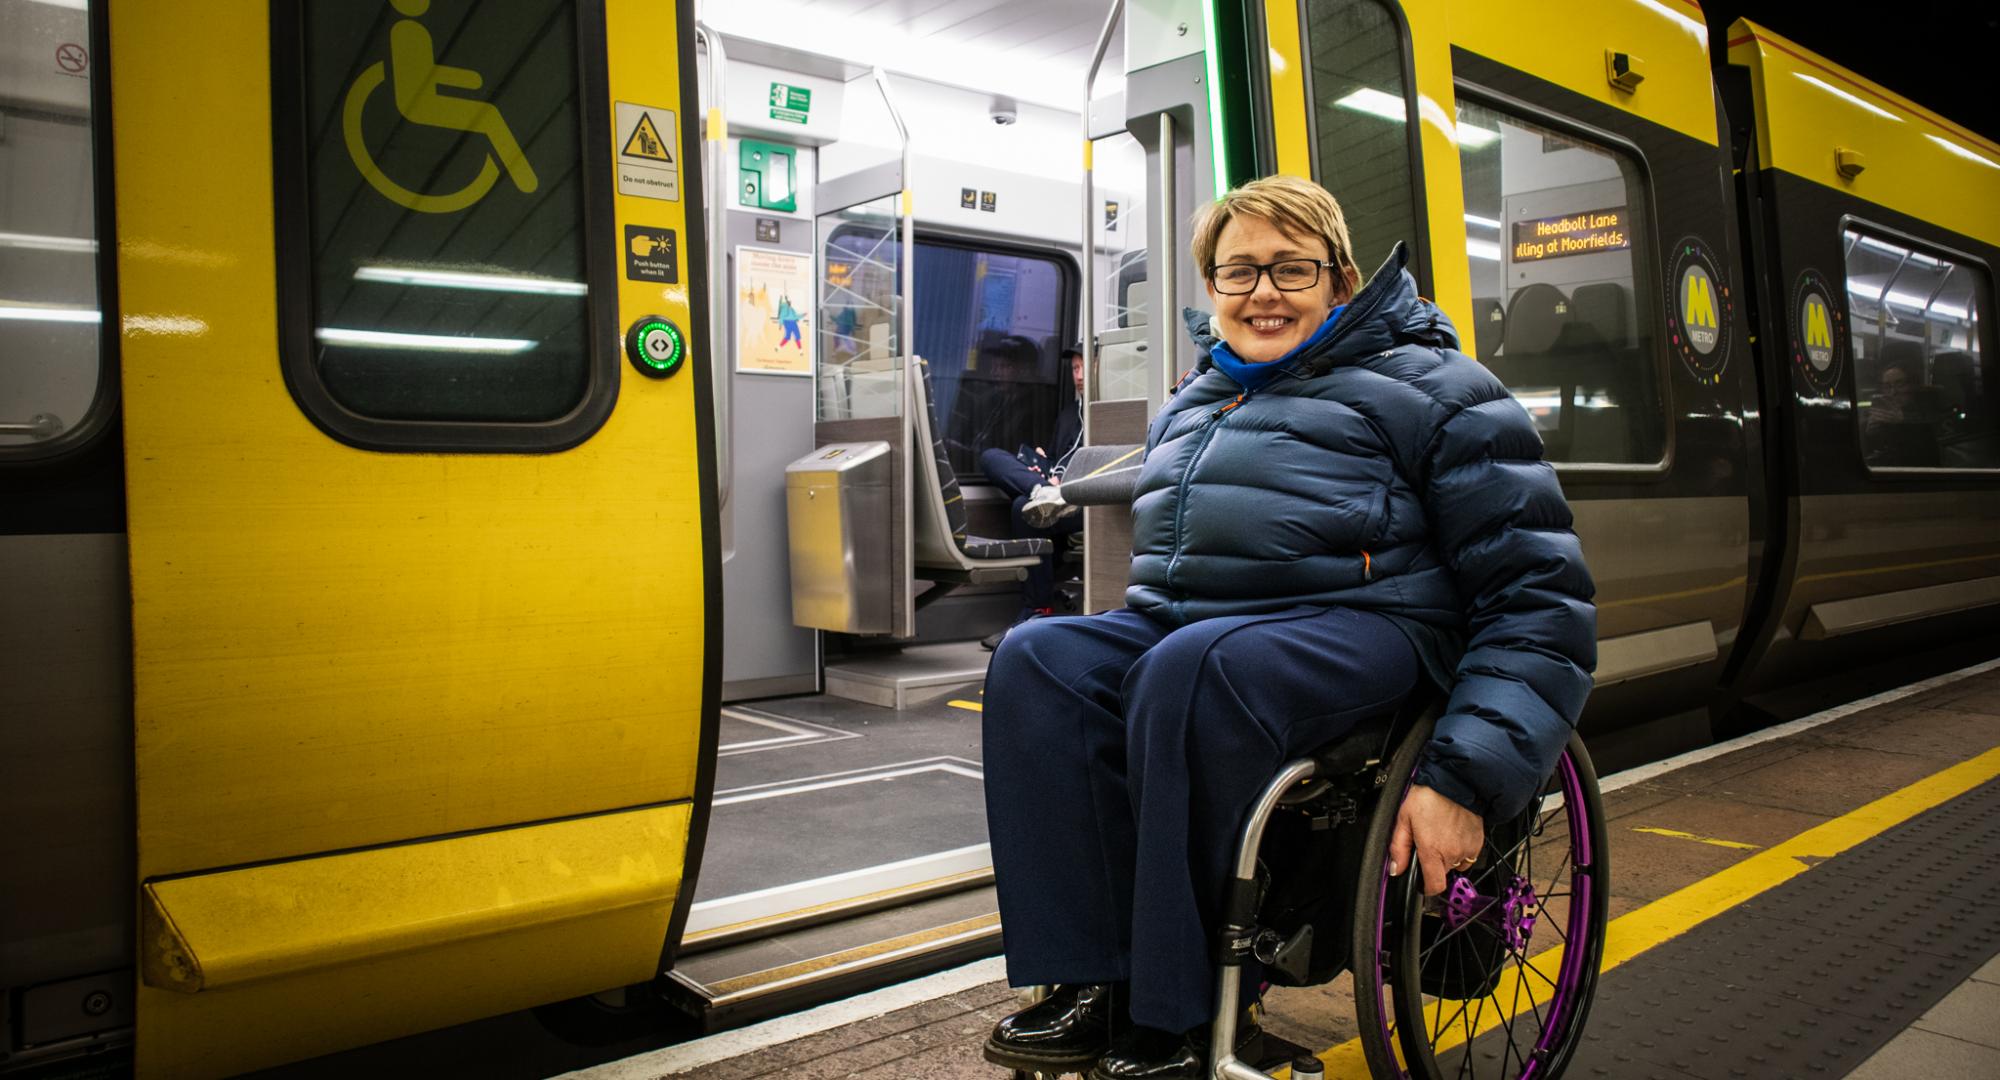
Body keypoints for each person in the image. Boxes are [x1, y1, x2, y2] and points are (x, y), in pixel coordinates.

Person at [979, 175, 1596, 1079]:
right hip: (1199, 637)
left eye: (1289, 269)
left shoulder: (1438, 390)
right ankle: (1093, 984)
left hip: (1371, 630)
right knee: (1041, 659)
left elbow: (1540, 595)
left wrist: (1467, 777)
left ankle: (1185, 1019)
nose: (1260, 292)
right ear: (1212, 288)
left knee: (1194, 669)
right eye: (1236, 273)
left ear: (1340, 280)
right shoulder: (1197, 401)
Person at [976, 346, 1086, 650]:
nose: (1078, 376)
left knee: (1021, 507)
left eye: (1083, 367)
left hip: (1082, 497)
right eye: (1074, 369)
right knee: (991, 456)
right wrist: (1043, 467)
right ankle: (1041, 490)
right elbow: (1055, 457)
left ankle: (1036, 610)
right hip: (1054, 489)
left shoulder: (1109, 413)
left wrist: (1065, 482)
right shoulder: (1067, 416)